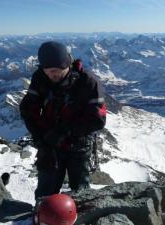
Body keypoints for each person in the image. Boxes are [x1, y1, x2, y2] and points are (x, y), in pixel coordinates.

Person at [19, 41, 106, 200]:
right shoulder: (40, 78)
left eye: (57, 70)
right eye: (48, 70)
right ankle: (43, 217)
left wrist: (65, 131)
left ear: (68, 64)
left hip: (78, 145)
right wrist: (41, 138)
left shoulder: (88, 82)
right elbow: (28, 110)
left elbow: (98, 120)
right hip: (49, 144)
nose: (53, 74)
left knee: (80, 194)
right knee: (45, 194)